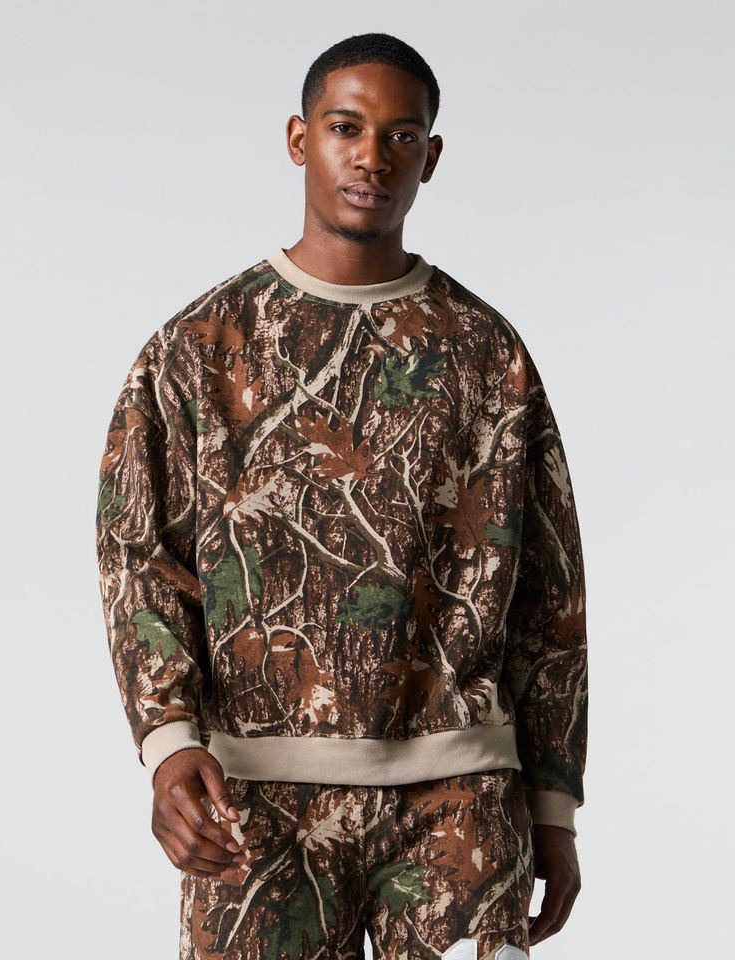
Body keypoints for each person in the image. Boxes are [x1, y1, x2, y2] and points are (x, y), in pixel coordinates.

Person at [95, 31, 588, 960]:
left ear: (430, 158)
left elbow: (548, 591)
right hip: (254, 800)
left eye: (401, 136)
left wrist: (553, 804)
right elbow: (139, 558)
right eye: (346, 127)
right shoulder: (198, 348)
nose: (372, 157)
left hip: (459, 802)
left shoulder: (486, 352)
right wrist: (167, 743)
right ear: (299, 139)